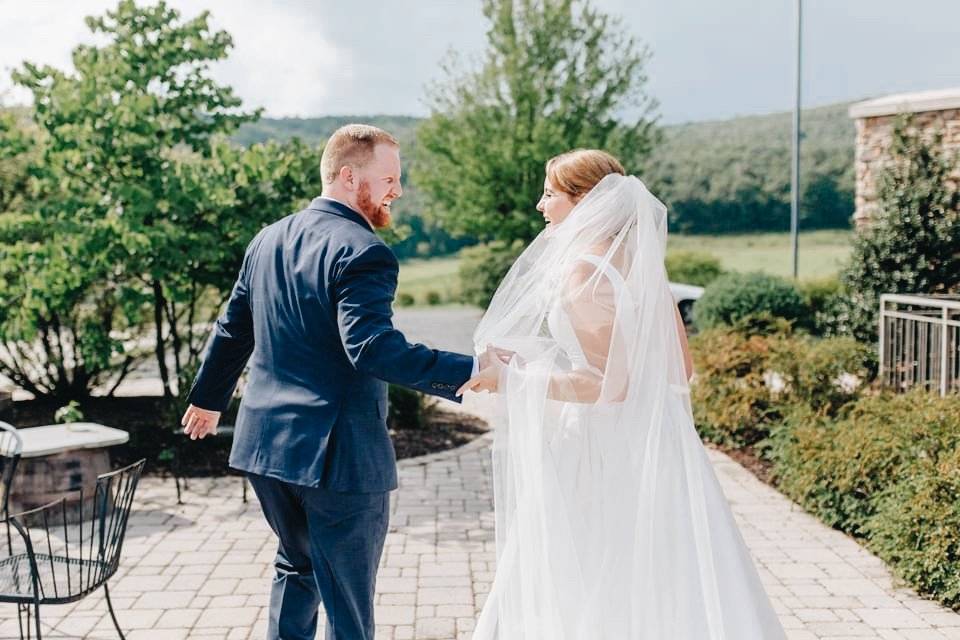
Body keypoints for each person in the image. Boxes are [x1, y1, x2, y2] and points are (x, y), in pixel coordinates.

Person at [180, 124, 498, 640]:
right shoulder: (364, 250)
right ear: (350, 177)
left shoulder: (267, 239)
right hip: (338, 457)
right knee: (348, 602)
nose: (397, 190)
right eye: (389, 178)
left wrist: (208, 400)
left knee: (296, 566)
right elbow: (372, 349)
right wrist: (472, 368)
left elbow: (232, 329)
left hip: (267, 448)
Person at [459, 149, 787, 639]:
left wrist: (514, 380)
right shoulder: (638, 266)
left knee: (590, 572)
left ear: (586, 202)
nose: (540, 205)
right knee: (672, 575)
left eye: (551, 193)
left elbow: (608, 385)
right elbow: (679, 365)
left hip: (599, 449)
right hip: (660, 448)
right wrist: (531, 361)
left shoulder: (582, 276)